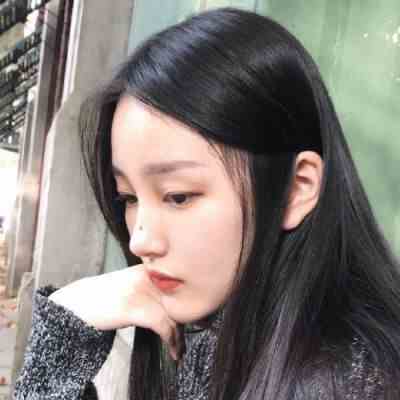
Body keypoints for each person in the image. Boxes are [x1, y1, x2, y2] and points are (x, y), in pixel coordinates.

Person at [13, 7, 400, 400]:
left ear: (296, 188)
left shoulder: (349, 385)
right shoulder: (225, 334)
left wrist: (57, 352)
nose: (140, 241)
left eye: (178, 196)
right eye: (128, 197)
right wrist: (68, 324)